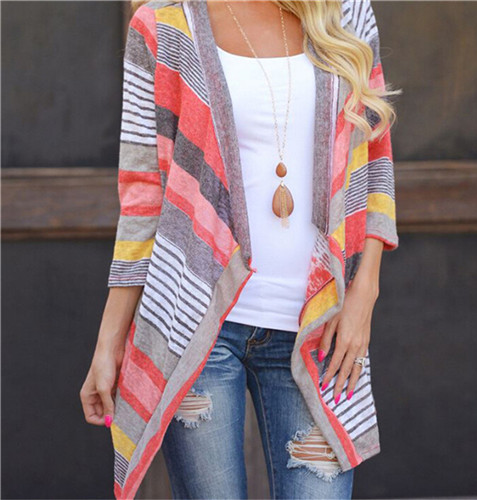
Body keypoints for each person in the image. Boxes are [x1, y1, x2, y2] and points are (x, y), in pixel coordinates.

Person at [80, 1, 401, 499]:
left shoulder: (343, 11)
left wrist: (365, 294)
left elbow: (375, 161)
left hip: (318, 326)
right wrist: (109, 343)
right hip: (195, 326)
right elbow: (143, 195)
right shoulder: (165, 24)